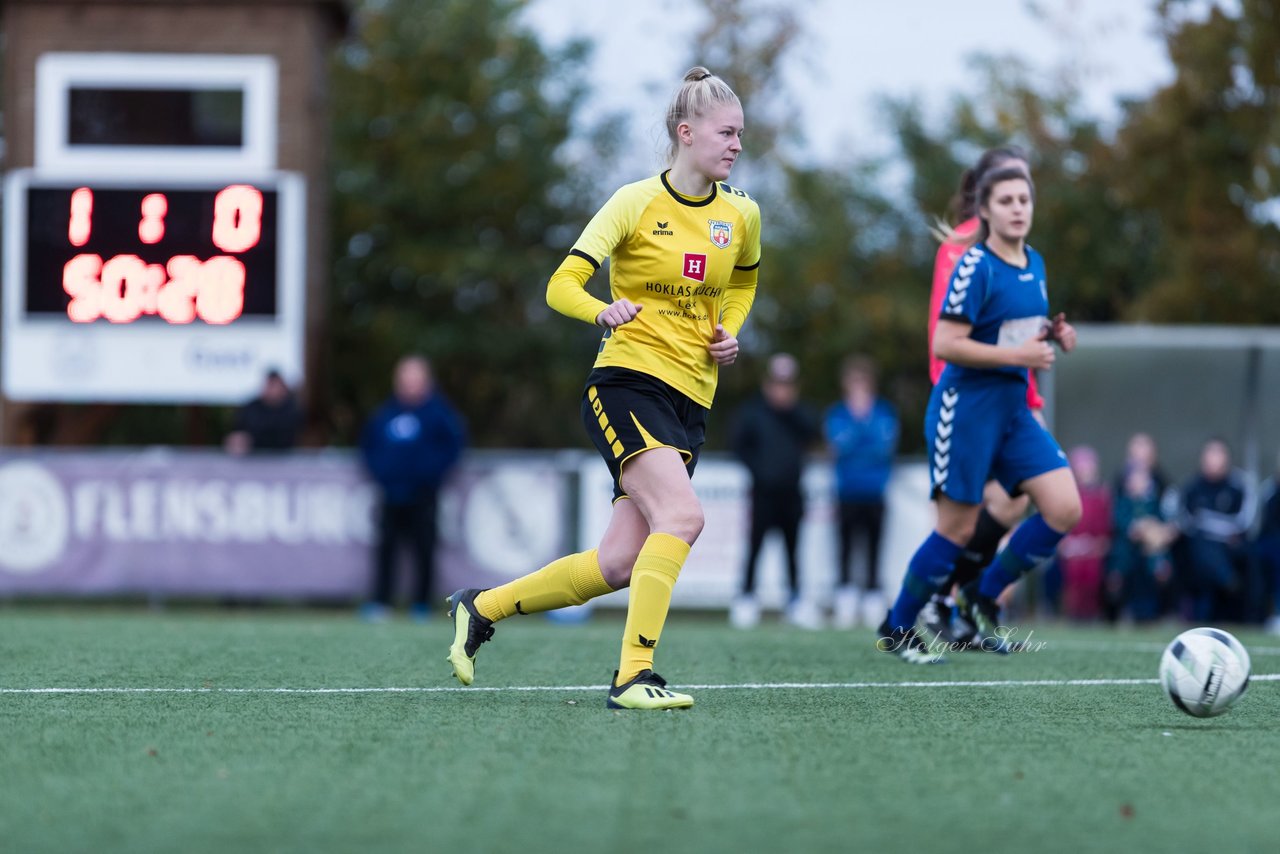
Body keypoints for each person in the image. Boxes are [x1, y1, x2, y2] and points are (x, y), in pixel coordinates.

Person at [444, 67, 761, 710]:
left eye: (740, 136)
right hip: (626, 382)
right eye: (726, 133)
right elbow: (561, 284)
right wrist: (601, 310)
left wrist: (728, 329)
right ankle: (632, 676)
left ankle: (481, 607)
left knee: (617, 563)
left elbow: (743, 284)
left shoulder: (743, 214)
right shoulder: (634, 201)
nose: (735, 146)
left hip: (691, 398)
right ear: (686, 132)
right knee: (684, 517)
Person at [877, 165, 1080, 662]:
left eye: (1023, 200)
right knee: (957, 529)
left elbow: (1014, 331)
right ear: (984, 210)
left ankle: (979, 596)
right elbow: (946, 343)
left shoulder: (1035, 261)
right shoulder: (974, 266)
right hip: (965, 411)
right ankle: (897, 627)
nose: (1017, 209)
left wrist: (1053, 335)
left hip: (1013, 411)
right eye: (1006, 200)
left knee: (1064, 508)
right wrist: (1021, 357)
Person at [917, 147, 1043, 645]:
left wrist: (1030, 392)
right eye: (1012, 189)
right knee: (970, 514)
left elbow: (1016, 328)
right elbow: (959, 333)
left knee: (1015, 500)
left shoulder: (1018, 250)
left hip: (1009, 391)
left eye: (1026, 189)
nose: (1023, 200)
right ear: (987, 195)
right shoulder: (966, 248)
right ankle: (937, 602)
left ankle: (956, 602)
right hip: (969, 393)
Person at [359, 355, 466, 622]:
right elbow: (368, 446)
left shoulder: (439, 414)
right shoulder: (386, 413)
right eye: (405, 379)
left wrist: (431, 474)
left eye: (415, 379)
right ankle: (381, 602)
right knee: (386, 549)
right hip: (391, 494)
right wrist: (382, 473)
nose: (409, 385)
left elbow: (454, 447)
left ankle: (421, 604)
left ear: (425, 382)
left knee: (424, 549)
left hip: (424, 495)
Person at [729, 353, 821, 629]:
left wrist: (790, 409)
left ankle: (795, 600)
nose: (781, 389)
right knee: (755, 546)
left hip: (792, 493)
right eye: (777, 383)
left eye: (787, 384)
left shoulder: (800, 413)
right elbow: (739, 446)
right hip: (762, 492)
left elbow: (814, 434)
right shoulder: (753, 412)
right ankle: (745, 598)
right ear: (768, 383)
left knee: (793, 548)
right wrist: (759, 471)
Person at [824, 355, 899, 628]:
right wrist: (862, 432)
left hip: (875, 491)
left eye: (862, 382)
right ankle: (844, 597)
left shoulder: (883, 412)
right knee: (845, 547)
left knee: (874, 547)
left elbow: (883, 448)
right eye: (853, 382)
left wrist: (858, 434)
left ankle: (872, 597)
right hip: (846, 491)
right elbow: (838, 447)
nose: (858, 387)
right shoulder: (838, 413)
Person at [1176, 437, 1255, 622]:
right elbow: (1185, 521)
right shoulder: (1192, 487)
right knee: (1199, 547)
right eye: (1209, 453)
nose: (1213, 459)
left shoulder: (1239, 485)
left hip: (1230, 545)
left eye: (1218, 453)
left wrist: (1207, 522)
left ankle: (1226, 585)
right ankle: (1226, 578)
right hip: (1200, 545)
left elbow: (1244, 521)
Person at [1052, 445, 1111, 620]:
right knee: (1073, 571)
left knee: (1092, 572)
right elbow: (1061, 525)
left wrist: (1094, 544)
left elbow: (1106, 531)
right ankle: (1073, 614)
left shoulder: (1102, 495)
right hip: (1072, 549)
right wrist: (1070, 543)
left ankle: (1091, 613)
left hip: (1094, 548)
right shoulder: (1068, 494)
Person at [224, 369, 302, 454]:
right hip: (251, 458)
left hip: (284, 458)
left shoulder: (291, 409)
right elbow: (238, 430)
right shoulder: (252, 407)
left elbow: (284, 435)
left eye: (275, 385)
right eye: (270, 385)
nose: (272, 389)